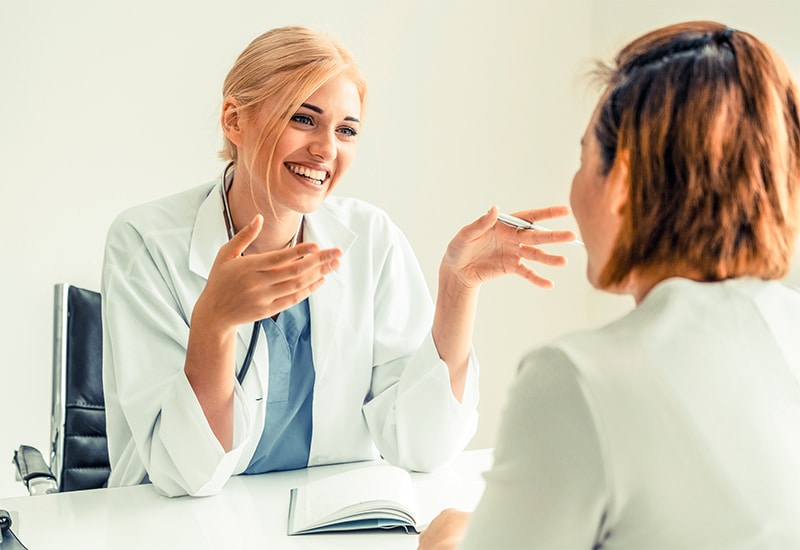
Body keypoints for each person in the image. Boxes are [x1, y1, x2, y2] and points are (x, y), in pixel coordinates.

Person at [100, 26, 576, 498]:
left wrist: (458, 288)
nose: (326, 149)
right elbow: (184, 476)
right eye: (303, 119)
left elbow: (423, 448)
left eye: (346, 130)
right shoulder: (145, 241)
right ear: (234, 120)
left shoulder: (371, 238)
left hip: (331, 527)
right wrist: (213, 326)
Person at [419, 20, 800, 549]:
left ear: (620, 180)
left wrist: (444, 542)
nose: (574, 188)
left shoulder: (576, 378)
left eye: (583, 160)